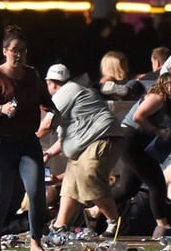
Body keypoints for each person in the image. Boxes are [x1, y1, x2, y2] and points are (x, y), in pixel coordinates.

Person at [0, 25, 56, 251]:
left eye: (22, 50)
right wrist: (1, 108)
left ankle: (36, 241)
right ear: (5, 51)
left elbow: (44, 98)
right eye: (14, 50)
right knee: (1, 194)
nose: (18, 55)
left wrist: (54, 111)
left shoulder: (31, 74)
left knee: (36, 190)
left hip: (26, 142)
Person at [40, 64, 125, 237]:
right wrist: (48, 153)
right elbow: (65, 137)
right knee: (70, 185)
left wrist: (29, 142)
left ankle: (114, 221)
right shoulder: (75, 91)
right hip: (90, 143)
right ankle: (59, 226)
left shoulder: (64, 92)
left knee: (89, 178)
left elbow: (46, 125)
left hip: (100, 139)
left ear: (52, 83)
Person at [112, 72, 171, 239]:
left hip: (141, 143)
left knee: (128, 189)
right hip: (131, 139)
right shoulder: (157, 97)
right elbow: (138, 116)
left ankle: (94, 209)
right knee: (157, 183)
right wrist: (157, 130)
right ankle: (162, 226)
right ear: (168, 86)